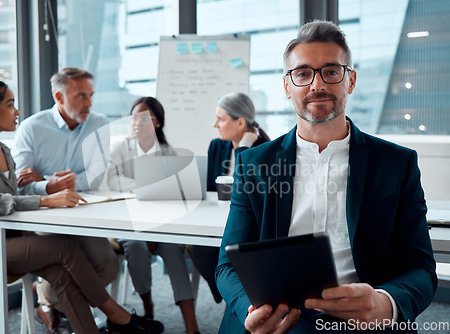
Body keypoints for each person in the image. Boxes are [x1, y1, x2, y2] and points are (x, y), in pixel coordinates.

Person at [215, 20, 437, 334]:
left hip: (363, 319)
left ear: (351, 80)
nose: (316, 85)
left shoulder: (397, 164)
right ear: (287, 86)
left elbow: (421, 268)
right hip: (274, 319)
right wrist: (250, 310)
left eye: (331, 71)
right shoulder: (253, 164)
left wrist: (386, 303)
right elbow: (227, 265)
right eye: (303, 73)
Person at [0, 68, 165, 334]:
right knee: (63, 247)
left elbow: (14, 195)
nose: (17, 111)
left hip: (6, 237)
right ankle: (115, 314)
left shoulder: (3, 150)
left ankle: (95, 325)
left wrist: (39, 190)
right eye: (10, 105)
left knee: (62, 272)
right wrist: (45, 199)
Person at [11, 67, 120, 333]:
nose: (89, 103)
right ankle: (71, 312)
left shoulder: (99, 123)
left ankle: (46, 301)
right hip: (43, 217)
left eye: (91, 95)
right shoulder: (31, 128)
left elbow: (96, 178)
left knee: (107, 266)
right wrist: (50, 186)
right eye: (81, 96)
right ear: (59, 97)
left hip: (82, 214)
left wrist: (48, 181)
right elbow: (19, 184)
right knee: (67, 262)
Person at [107, 96, 201, 334]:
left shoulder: (169, 153)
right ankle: (148, 306)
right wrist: (143, 185)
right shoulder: (122, 147)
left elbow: (176, 194)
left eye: (143, 117)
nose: (136, 123)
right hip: (128, 224)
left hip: (161, 224)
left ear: (157, 122)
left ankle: (192, 326)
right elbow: (111, 180)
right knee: (136, 246)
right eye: (133, 118)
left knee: (173, 250)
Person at [190, 92, 270, 304]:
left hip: (248, 225)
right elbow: (210, 188)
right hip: (217, 218)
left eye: (221, 119)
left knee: (233, 255)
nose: (216, 124)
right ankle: (228, 296)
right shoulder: (217, 146)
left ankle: (236, 298)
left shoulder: (263, 149)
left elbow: (250, 193)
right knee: (200, 251)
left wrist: (243, 148)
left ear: (240, 122)